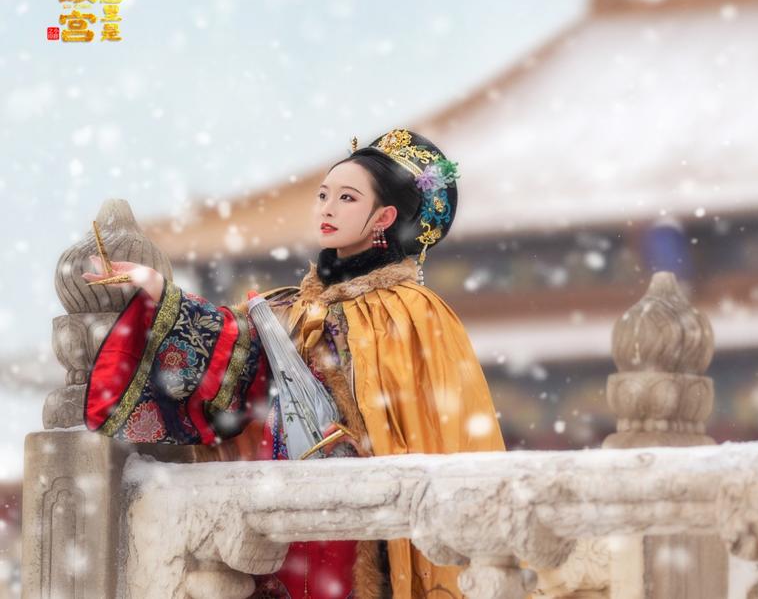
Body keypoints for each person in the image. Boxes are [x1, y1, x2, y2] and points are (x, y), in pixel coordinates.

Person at [81, 129, 506, 598]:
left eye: (347, 197)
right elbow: (231, 351)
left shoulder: (409, 310)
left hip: (362, 519)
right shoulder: (291, 306)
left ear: (384, 216)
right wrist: (157, 289)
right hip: (287, 513)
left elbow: (429, 424)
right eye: (324, 194)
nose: (327, 207)